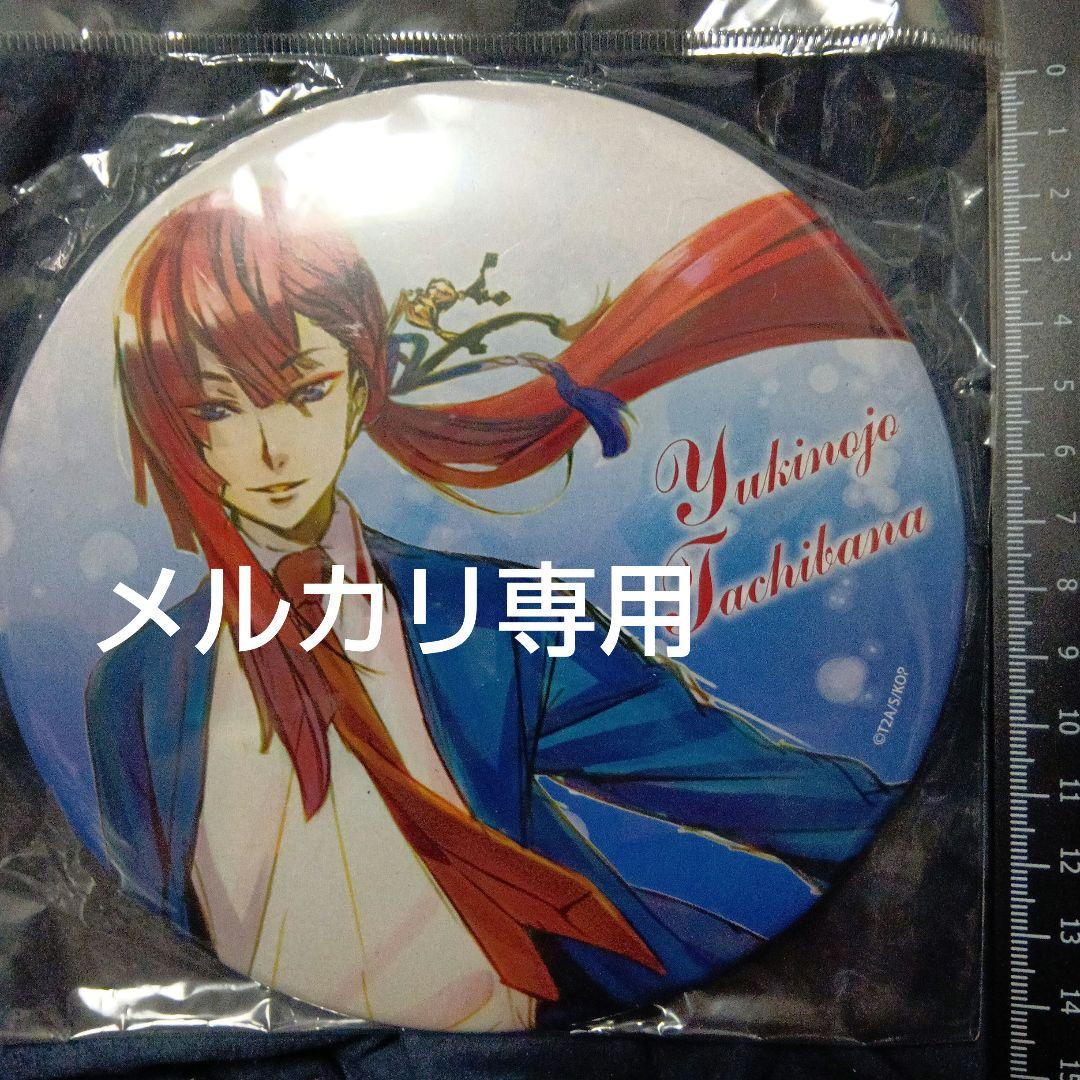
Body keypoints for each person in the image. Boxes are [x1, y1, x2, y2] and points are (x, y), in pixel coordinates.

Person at [86, 185, 905, 1030]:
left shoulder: (491, 616)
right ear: (170, 422)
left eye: (305, 392)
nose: (270, 447)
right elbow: (152, 935)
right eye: (219, 407)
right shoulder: (139, 688)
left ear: (361, 389)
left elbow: (730, 775)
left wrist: (927, 844)